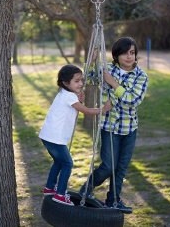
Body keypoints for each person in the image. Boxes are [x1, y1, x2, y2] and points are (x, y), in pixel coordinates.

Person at [79, 36, 148, 212]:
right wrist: (92, 61)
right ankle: (86, 190)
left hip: (129, 128)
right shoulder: (107, 70)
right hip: (109, 127)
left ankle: (113, 200)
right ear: (116, 56)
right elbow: (87, 80)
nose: (128, 57)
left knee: (121, 168)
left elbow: (132, 100)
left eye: (132, 53)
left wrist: (113, 83)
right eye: (124, 53)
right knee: (108, 166)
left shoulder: (141, 76)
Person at [39, 64, 112, 206]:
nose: (80, 84)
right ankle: (60, 194)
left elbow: (75, 107)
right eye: (77, 81)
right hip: (55, 138)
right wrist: (104, 109)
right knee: (67, 163)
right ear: (66, 83)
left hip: (47, 136)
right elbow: (86, 111)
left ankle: (49, 188)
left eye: (81, 81)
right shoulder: (69, 97)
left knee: (59, 162)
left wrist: (79, 100)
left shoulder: (63, 94)